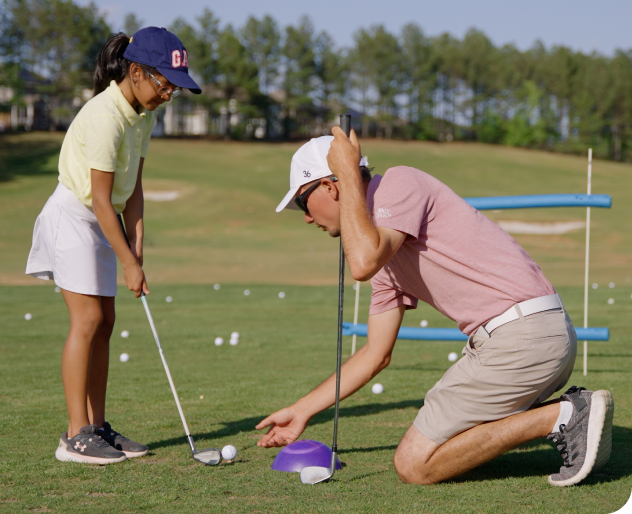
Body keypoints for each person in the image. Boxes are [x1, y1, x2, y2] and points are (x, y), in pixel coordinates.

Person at [256, 129, 614, 487]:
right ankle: (568, 413)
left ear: (330, 187)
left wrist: (348, 174)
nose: (305, 217)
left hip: (521, 340)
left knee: (414, 465)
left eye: (303, 203)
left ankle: (566, 414)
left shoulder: (399, 183)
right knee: (446, 448)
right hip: (532, 340)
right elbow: (374, 354)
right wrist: (302, 410)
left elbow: (361, 263)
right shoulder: (383, 252)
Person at [26, 27, 201, 464]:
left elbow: (133, 189)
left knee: (106, 320)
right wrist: (127, 262)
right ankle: (74, 435)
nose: (168, 94)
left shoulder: (144, 114)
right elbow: (102, 199)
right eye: (165, 84)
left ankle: (97, 426)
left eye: (175, 89)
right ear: (137, 72)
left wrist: (137, 248)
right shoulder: (105, 115)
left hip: (100, 220)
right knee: (86, 320)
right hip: (75, 216)